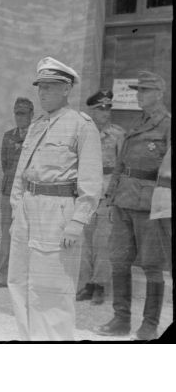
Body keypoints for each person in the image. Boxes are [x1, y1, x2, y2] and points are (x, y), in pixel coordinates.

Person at [8, 56, 102, 341]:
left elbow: (91, 181)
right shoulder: (37, 125)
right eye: (41, 86)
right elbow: (21, 172)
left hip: (58, 210)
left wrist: (77, 222)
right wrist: (16, 209)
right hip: (28, 208)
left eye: (50, 86)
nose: (43, 92)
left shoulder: (81, 125)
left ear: (66, 89)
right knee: (20, 280)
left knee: (54, 285)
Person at [97, 71, 171, 340]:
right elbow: (121, 165)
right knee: (118, 260)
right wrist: (111, 196)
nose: (139, 95)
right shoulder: (137, 123)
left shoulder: (166, 125)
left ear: (159, 94)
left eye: (145, 91)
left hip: (151, 206)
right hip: (123, 202)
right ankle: (121, 319)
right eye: (138, 91)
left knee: (152, 265)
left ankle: (149, 325)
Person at [75, 90, 125, 305]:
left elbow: (122, 167)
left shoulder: (117, 134)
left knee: (102, 243)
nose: (106, 113)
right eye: (101, 109)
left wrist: (115, 195)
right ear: (92, 111)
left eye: (108, 108)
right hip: (85, 194)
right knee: (85, 242)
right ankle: (87, 284)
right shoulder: (83, 133)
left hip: (106, 194)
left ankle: (101, 286)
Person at [0, 97, 34, 288]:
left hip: (29, 194)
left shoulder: (36, 136)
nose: (20, 118)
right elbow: (5, 163)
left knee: (28, 236)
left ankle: (24, 277)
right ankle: (2, 274)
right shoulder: (8, 136)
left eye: (24, 114)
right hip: (8, 192)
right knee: (7, 235)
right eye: (17, 114)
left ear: (31, 115)